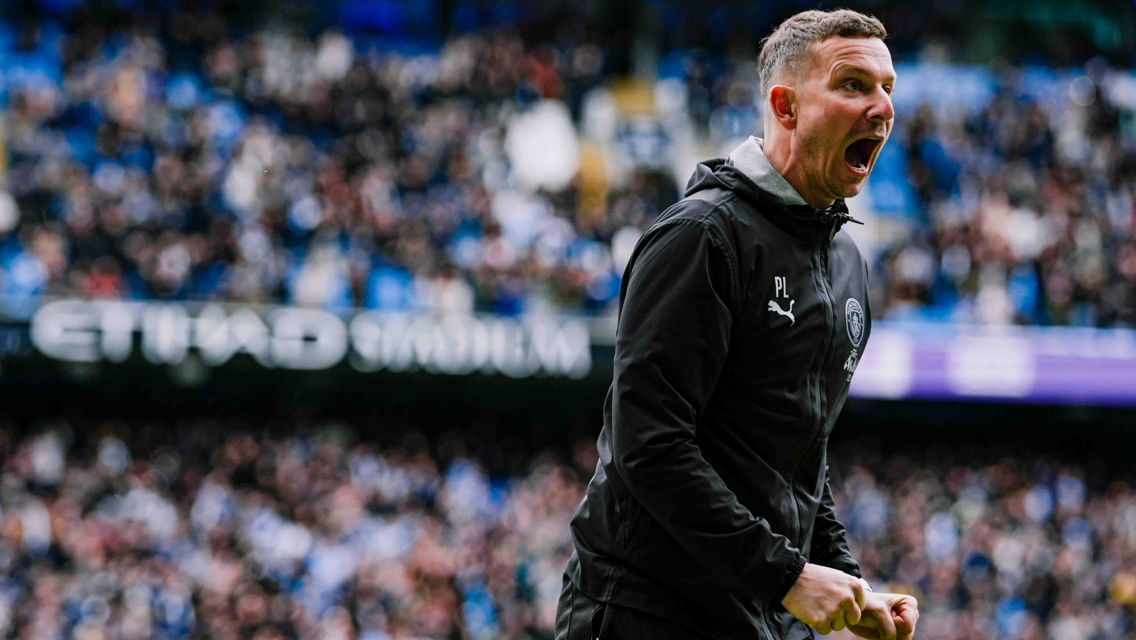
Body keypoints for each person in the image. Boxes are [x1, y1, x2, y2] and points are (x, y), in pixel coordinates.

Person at [555, 9, 920, 640]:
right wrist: (787, 576)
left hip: (758, 615)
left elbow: (798, 455)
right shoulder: (702, 237)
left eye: (887, 87)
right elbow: (651, 446)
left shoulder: (846, 259)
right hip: (648, 611)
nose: (881, 107)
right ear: (785, 107)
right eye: (853, 85)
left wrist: (845, 580)